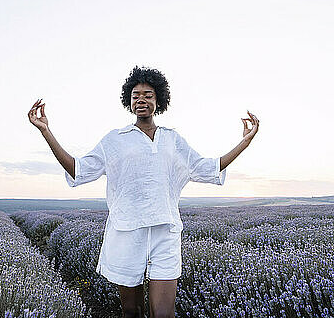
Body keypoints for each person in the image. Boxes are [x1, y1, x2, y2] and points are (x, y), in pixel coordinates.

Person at [28, 65, 259, 318]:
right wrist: (46, 131)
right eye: (135, 95)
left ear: (158, 100)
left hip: (165, 233)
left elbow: (207, 168)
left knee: (163, 314)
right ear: (129, 101)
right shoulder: (114, 139)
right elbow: (78, 169)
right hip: (127, 232)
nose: (141, 99)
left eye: (148, 95)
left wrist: (244, 143)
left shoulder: (172, 139)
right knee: (131, 311)